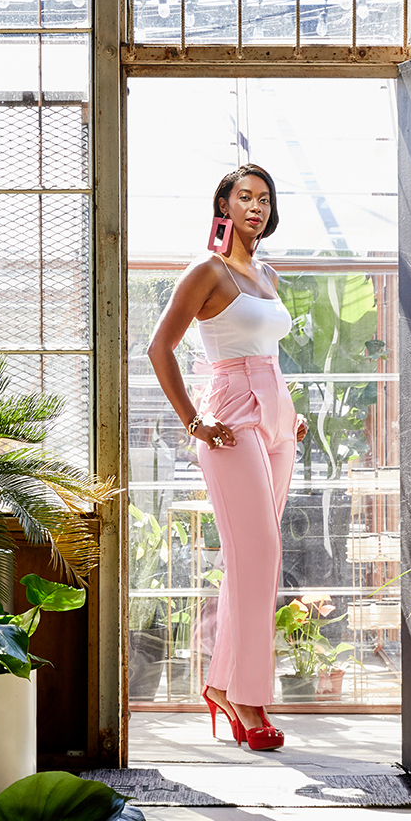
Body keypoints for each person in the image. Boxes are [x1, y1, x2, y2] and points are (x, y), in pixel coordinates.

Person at [147, 164, 308, 752]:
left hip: (276, 412)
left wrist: (286, 412)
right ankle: (247, 697)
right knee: (260, 551)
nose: (256, 207)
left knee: (253, 556)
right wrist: (192, 418)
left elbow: (264, 349)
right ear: (224, 203)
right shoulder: (206, 271)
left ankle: (220, 686)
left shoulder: (264, 273)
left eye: (265, 199)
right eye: (245, 197)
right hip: (228, 412)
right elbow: (158, 346)